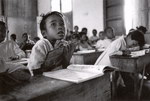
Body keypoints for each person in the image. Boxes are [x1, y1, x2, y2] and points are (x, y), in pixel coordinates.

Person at [27, 11, 75, 76]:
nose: (60, 27)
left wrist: (67, 58)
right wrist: (55, 53)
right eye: (53, 24)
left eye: (62, 24)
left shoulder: (64, 44)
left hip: (58, 78)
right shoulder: (41, 45)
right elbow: (35, 72)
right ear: (44, 33)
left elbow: (64, 68)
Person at [0, 21, 30, 94]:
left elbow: (22, 53)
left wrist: (17, 56)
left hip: (11, 69)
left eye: (3, 31)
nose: (1, 33)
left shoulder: (10, 43)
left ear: (6, 32)